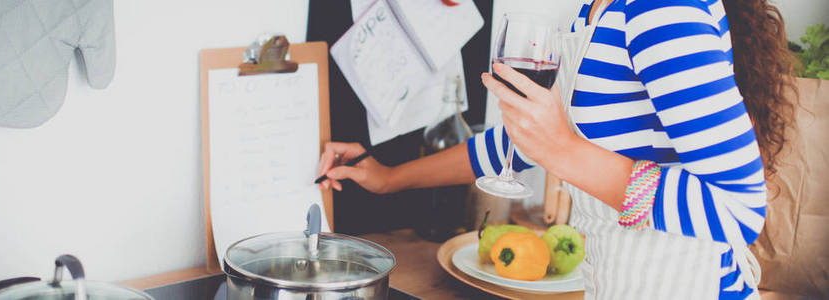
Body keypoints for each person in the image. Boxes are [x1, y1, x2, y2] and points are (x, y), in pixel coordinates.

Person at [318, 0, 797, 298]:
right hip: (613, 284)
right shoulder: (598, 9)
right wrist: (387, 178)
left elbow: (737, 208)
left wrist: (565, 152)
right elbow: (516, 145)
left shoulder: (662, 8)